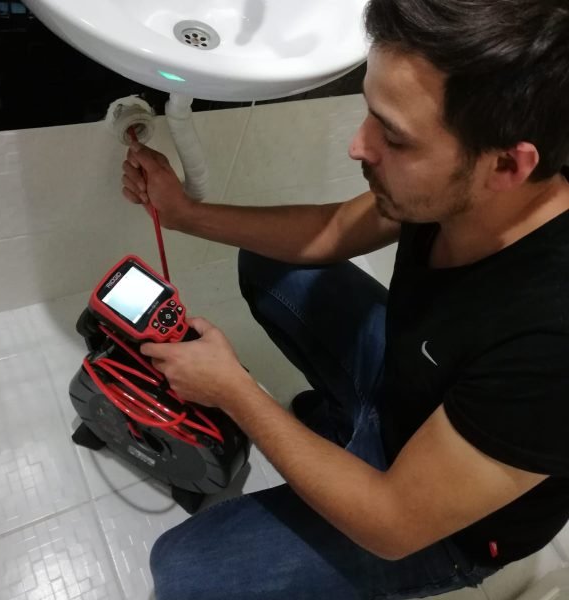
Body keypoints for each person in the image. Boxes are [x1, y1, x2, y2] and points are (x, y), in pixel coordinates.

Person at [121, 0, 569, 598]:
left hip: (441, 523)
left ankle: (352, 448)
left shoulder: (551, 341)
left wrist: (234, 392)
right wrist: (184, 215)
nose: (358, 146)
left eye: (394, 137)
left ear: (507, 164)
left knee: (183, 574)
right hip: (414, 389)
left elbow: (394, 525)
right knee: (272, 259)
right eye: (370, 114)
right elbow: (332, 231)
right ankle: (347, 426)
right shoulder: (477, 186)